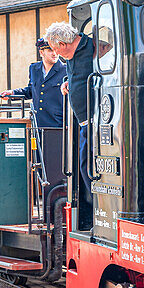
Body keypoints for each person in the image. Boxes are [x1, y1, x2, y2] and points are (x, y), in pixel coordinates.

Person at [44, 21, 96, 227]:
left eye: (55, 48)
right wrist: (69, 82)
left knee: (87, 169)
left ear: (63, 44)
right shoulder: (71, 56)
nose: (56, 53)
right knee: (84, 168)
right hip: (84, 123)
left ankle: (98, 214)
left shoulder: (94, 48)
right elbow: (79, 75)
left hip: (95, 123)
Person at [3, 38, 65, 129]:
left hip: (58, 124)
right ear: (41, 52)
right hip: (37, 123)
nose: (54, 53)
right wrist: (13, 93)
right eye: (50, 50)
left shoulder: (66, 70)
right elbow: (32, 90)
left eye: (56, 49)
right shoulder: (34, 68)